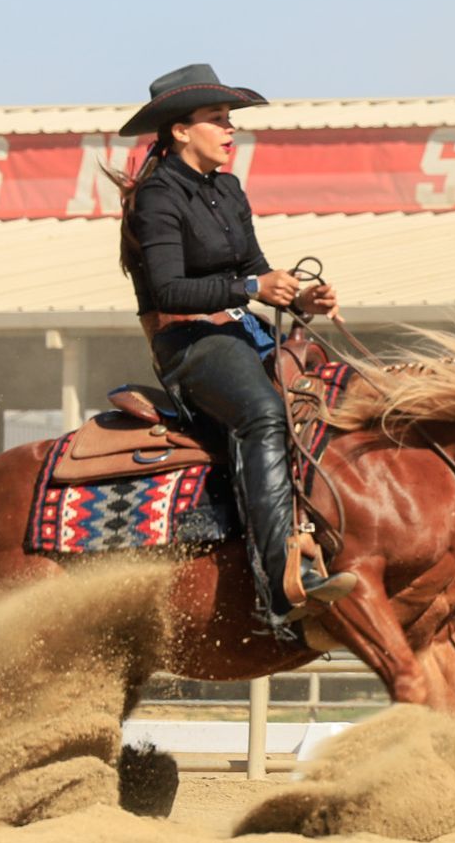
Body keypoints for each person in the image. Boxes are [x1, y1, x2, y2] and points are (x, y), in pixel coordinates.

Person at [112, 63, 357, 640]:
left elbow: (254, 269)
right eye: (217, 120)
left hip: (240, 331)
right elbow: (170, 290)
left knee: (340, 394)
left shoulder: (227, 188)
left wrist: (302, 300)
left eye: (229, 120)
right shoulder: (156, 198)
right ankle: (281, 588)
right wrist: (252, 290)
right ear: (179, 131)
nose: (229, 130)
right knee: (263, 414)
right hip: (187, 342)